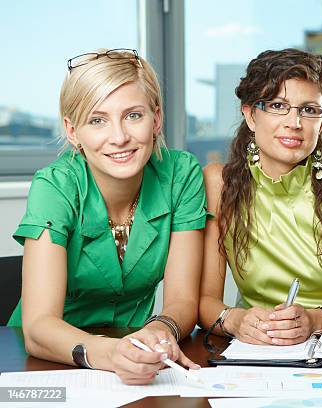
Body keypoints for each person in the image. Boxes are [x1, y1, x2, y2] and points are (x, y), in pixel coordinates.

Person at [8, 49, 207, 384]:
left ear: (156, 119)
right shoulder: (54, 186)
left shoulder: (182, 174)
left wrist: (160, 329)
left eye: (133, 115)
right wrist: (111, 353)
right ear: (73, 132)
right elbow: (39, 327)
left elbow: (183, 299)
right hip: (48, 361)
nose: (119, 137)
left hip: (138, 356)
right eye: (97, 120)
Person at [199, 49, 322, 345]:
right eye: (278, 106)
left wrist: (316, 320)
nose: (295, 122)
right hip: (257, 351)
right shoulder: (218, 183)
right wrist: (236, 320)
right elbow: (204, 302)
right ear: (250, 115)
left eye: (309, 110)